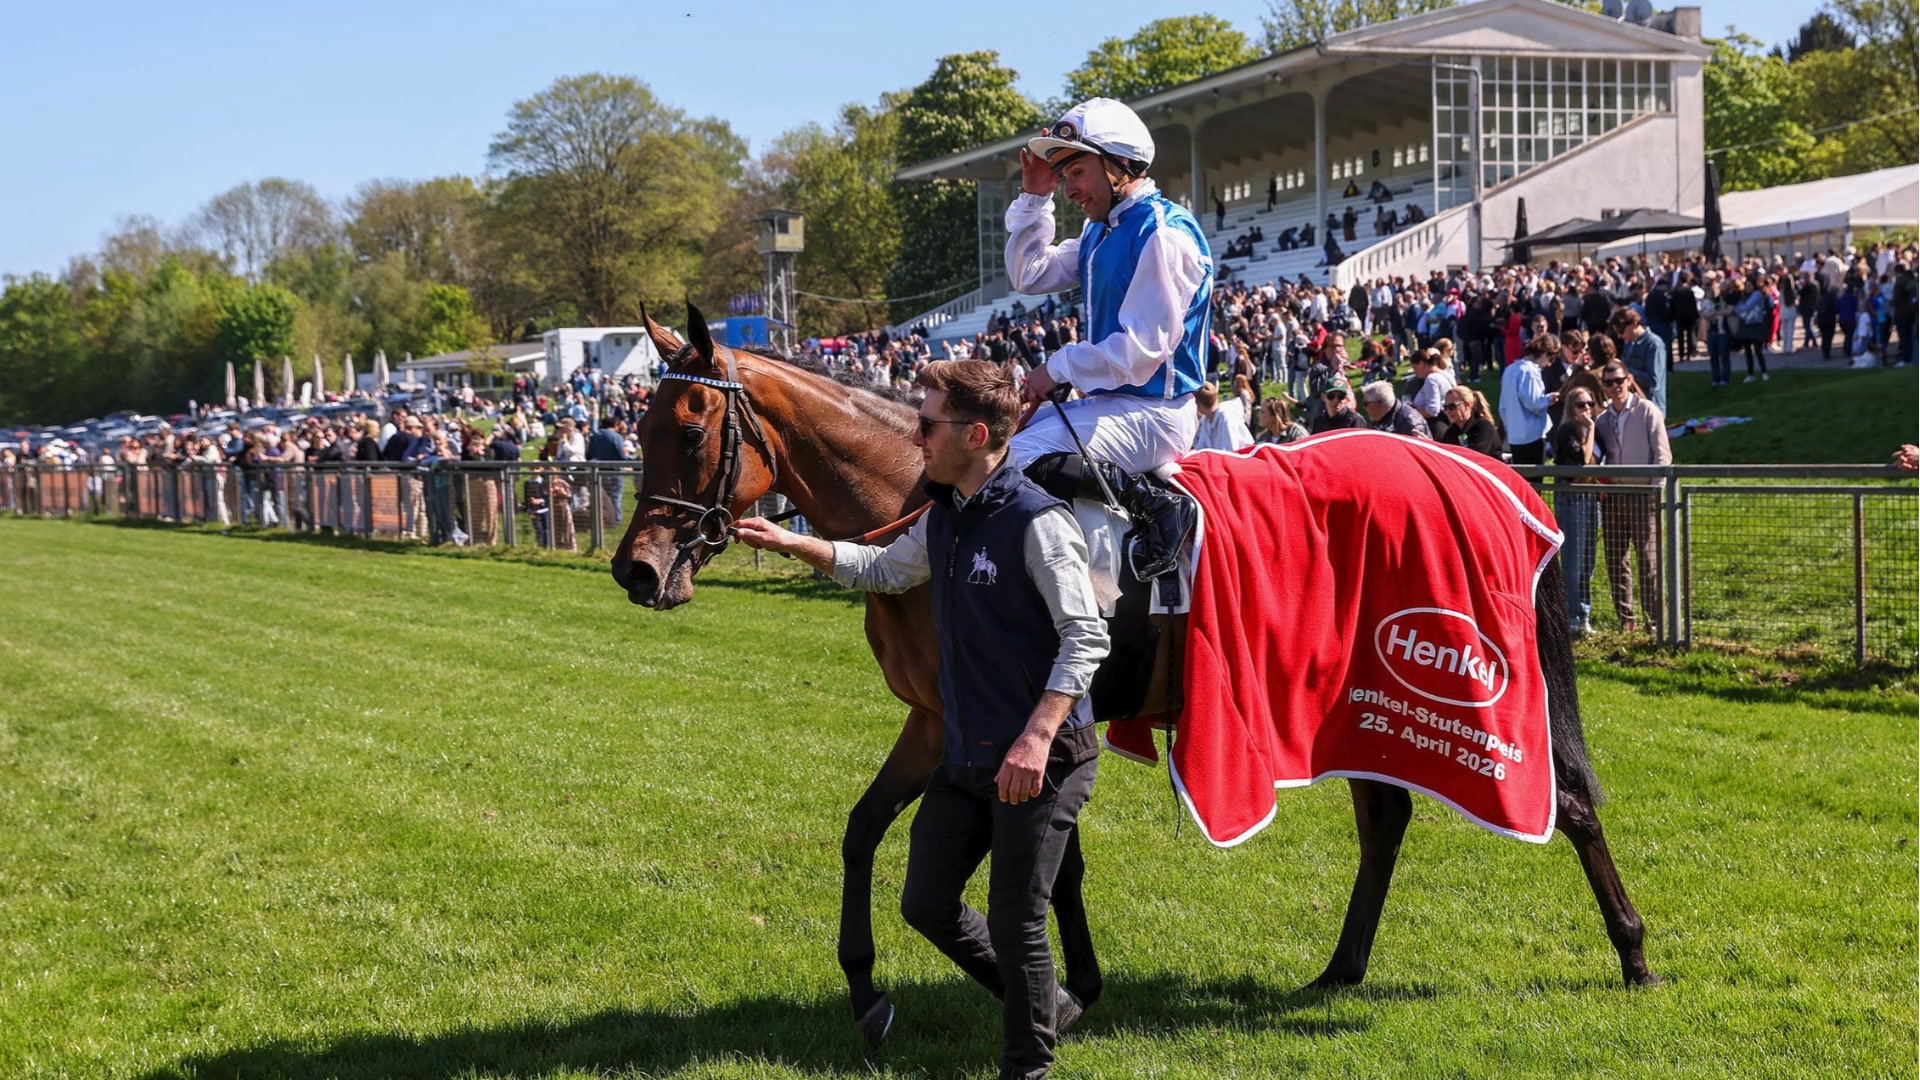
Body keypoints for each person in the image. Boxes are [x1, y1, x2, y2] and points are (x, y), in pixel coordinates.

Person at [732, 361, 1108, 1080]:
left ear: (974, 435)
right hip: (969, 757)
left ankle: (1027, 1065)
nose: (916, 436)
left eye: (929, 424)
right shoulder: (945, 516)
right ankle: (1046, 1003)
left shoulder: (1039, 523)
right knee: (927, 903)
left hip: (1042, 759)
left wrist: (1037, 737)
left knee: (1016, 921)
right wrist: (794, 545)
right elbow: (884, 571)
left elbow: (1086, 637)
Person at [1005, 97, 1211, 582]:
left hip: (1156, 413)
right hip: (1112, 404)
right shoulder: (1100, 231)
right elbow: (1029, 274)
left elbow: (1140, 353)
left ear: (1121, 165)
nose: (1069, 189)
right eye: (1064, 176)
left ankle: (1156, 507)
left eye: (1077, 172)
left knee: (1013, 458)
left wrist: (1056, 369)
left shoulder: (1163, 233)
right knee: (996, 441)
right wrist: (1035, 197)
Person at [1594, 360, 1671, 635]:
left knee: (1648, 562)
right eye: (1609, 382)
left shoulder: (1648, 411)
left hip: (1643, 496)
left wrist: (1656, 491)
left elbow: (1662, 455)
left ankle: (1654, 623)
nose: (1615, 386)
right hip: (1614, 497)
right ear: (1603, 386)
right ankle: (1627, 621)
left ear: (1629, 380)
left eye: (1620, 380)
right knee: (1616, 561)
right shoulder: (1601, 420)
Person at [1550, 389, 1602, 634]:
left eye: (1590, 403)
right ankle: (1570, 616)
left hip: (1591, 498)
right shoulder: (1567, 430)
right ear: (1571, 406)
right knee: (1573, 560)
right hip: (1572, 499)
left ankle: (1584, 614)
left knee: (1588, 560)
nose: (1587, 409)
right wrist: (1590, 429)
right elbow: (1582, 459)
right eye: (1581, 404)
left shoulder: (1595, 428)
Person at [1499, 333, 1557, 465]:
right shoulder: (1530, 372)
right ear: (1544, 354)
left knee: (1521, 473)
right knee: (1535, 475)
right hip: (1533, 435)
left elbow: (1502, 407)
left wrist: (1509, 426)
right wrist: (1548, 400)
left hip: (1514, 434)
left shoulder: (1509, 370)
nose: (1549, 364)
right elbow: (1535, 404)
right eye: (1550, 359)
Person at [1612, 307, 1668, 415]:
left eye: (1621, 331)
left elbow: (1653, 380)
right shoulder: (1629, 343)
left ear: (1634, 324)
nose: (1619, 336)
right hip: (1633, 407)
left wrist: (1625, 371)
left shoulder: (1654, 344)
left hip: (1651, 407)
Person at [1431, 387, 1503, 459]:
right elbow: (1444, 451)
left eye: (1452, 406)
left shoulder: (1483, 426)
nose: (1448, 411)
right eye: (1445, 407)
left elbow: (1476, 455)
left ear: (1468, 405)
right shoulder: (1453, 429)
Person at [1191, 381, 1255, 451]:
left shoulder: (1227, 418)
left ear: (1198, 405)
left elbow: (1230, 451)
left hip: (1243, 456)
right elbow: (1201, 448)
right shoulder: (1206, 420)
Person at [1360, 381, 1431, 439]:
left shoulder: (1409, 423)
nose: (1364, 408)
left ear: (1375, 404)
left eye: (1365, 404)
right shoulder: (1381, 416)